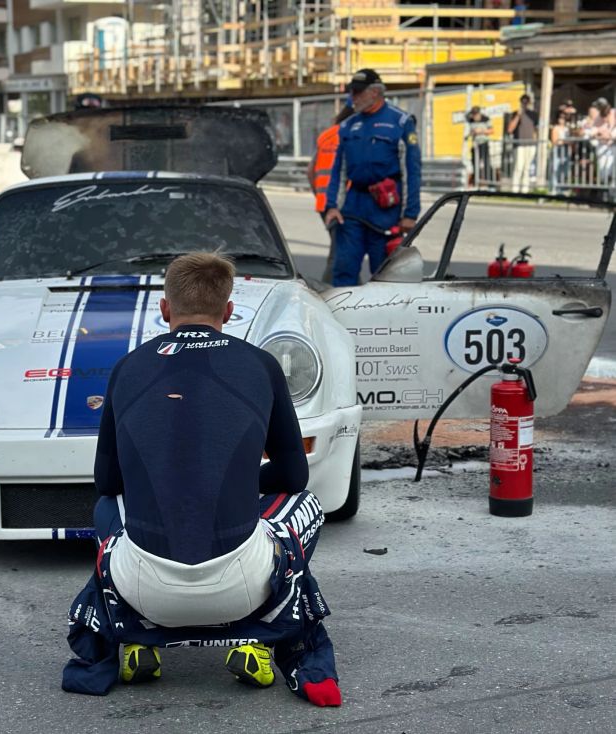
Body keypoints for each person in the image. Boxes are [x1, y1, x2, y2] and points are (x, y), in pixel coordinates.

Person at [63, 252, 342, 706]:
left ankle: (133, 635)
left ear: (164, 308)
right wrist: (232, 483)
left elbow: (106, 481)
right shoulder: (261, 365)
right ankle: (257, 634)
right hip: (242, 587)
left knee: (106, 505)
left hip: (142, 588)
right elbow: (293, 473)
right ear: (228, 312)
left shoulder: (128, 368)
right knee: (303, 501)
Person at [324, 69, 421, 286]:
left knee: (384, 276)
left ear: (375, 92)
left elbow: (412, 171)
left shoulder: (401, 123)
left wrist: (410, 214)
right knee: (343, 270)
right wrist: (332, 206)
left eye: (358, 92)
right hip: (353, 209)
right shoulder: (348, 126)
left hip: (386, 210)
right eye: (352, 92)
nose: (353, 98)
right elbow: (339, 170)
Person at [310, 102, 355, 282]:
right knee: (339, 253)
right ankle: (329, 290)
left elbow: (310, 170)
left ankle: (348, 287)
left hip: (324, 203)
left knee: (343, 249)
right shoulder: (353, 135)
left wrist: (321, 196)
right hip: (343, 203)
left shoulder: (325, 136)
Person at [507, 94, 539, 193]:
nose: (525, 104)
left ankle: (525, 190)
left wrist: (535, 141)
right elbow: (510, 129)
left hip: (530, 145)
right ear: (520, 102)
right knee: (518, 167)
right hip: (519, 145)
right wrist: (518, 116)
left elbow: (536, 129)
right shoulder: (515, 113)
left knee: (527, 168)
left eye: (526, 102)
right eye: (523, 102)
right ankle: (514, 189)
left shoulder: (533, 114)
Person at [467, 106, 493, 186]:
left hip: (484, 143)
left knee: (486, 163)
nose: (475, 116)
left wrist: (481, 131)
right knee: (475, 164)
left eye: (476, 114)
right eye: (473, 114)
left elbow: (492, 130)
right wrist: (472, 133)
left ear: (479, 113)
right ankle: (476, 182)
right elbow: (470, 131)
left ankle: (490, 183)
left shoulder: (486, 119)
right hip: (475, 145)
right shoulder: (470, 120)